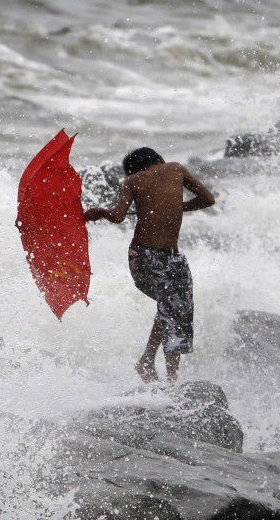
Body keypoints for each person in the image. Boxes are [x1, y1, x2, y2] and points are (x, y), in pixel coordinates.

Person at [84, 147, 215, 382]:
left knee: (172, 307)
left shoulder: (133, 180)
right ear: (159, 160)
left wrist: (100, 212)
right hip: (154, 257)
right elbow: (207, 199)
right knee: (173, 309)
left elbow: (117, 217)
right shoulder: (175, 168)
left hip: (150, 255)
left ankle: (146, 362)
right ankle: (171, 379)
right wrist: (181, 206)